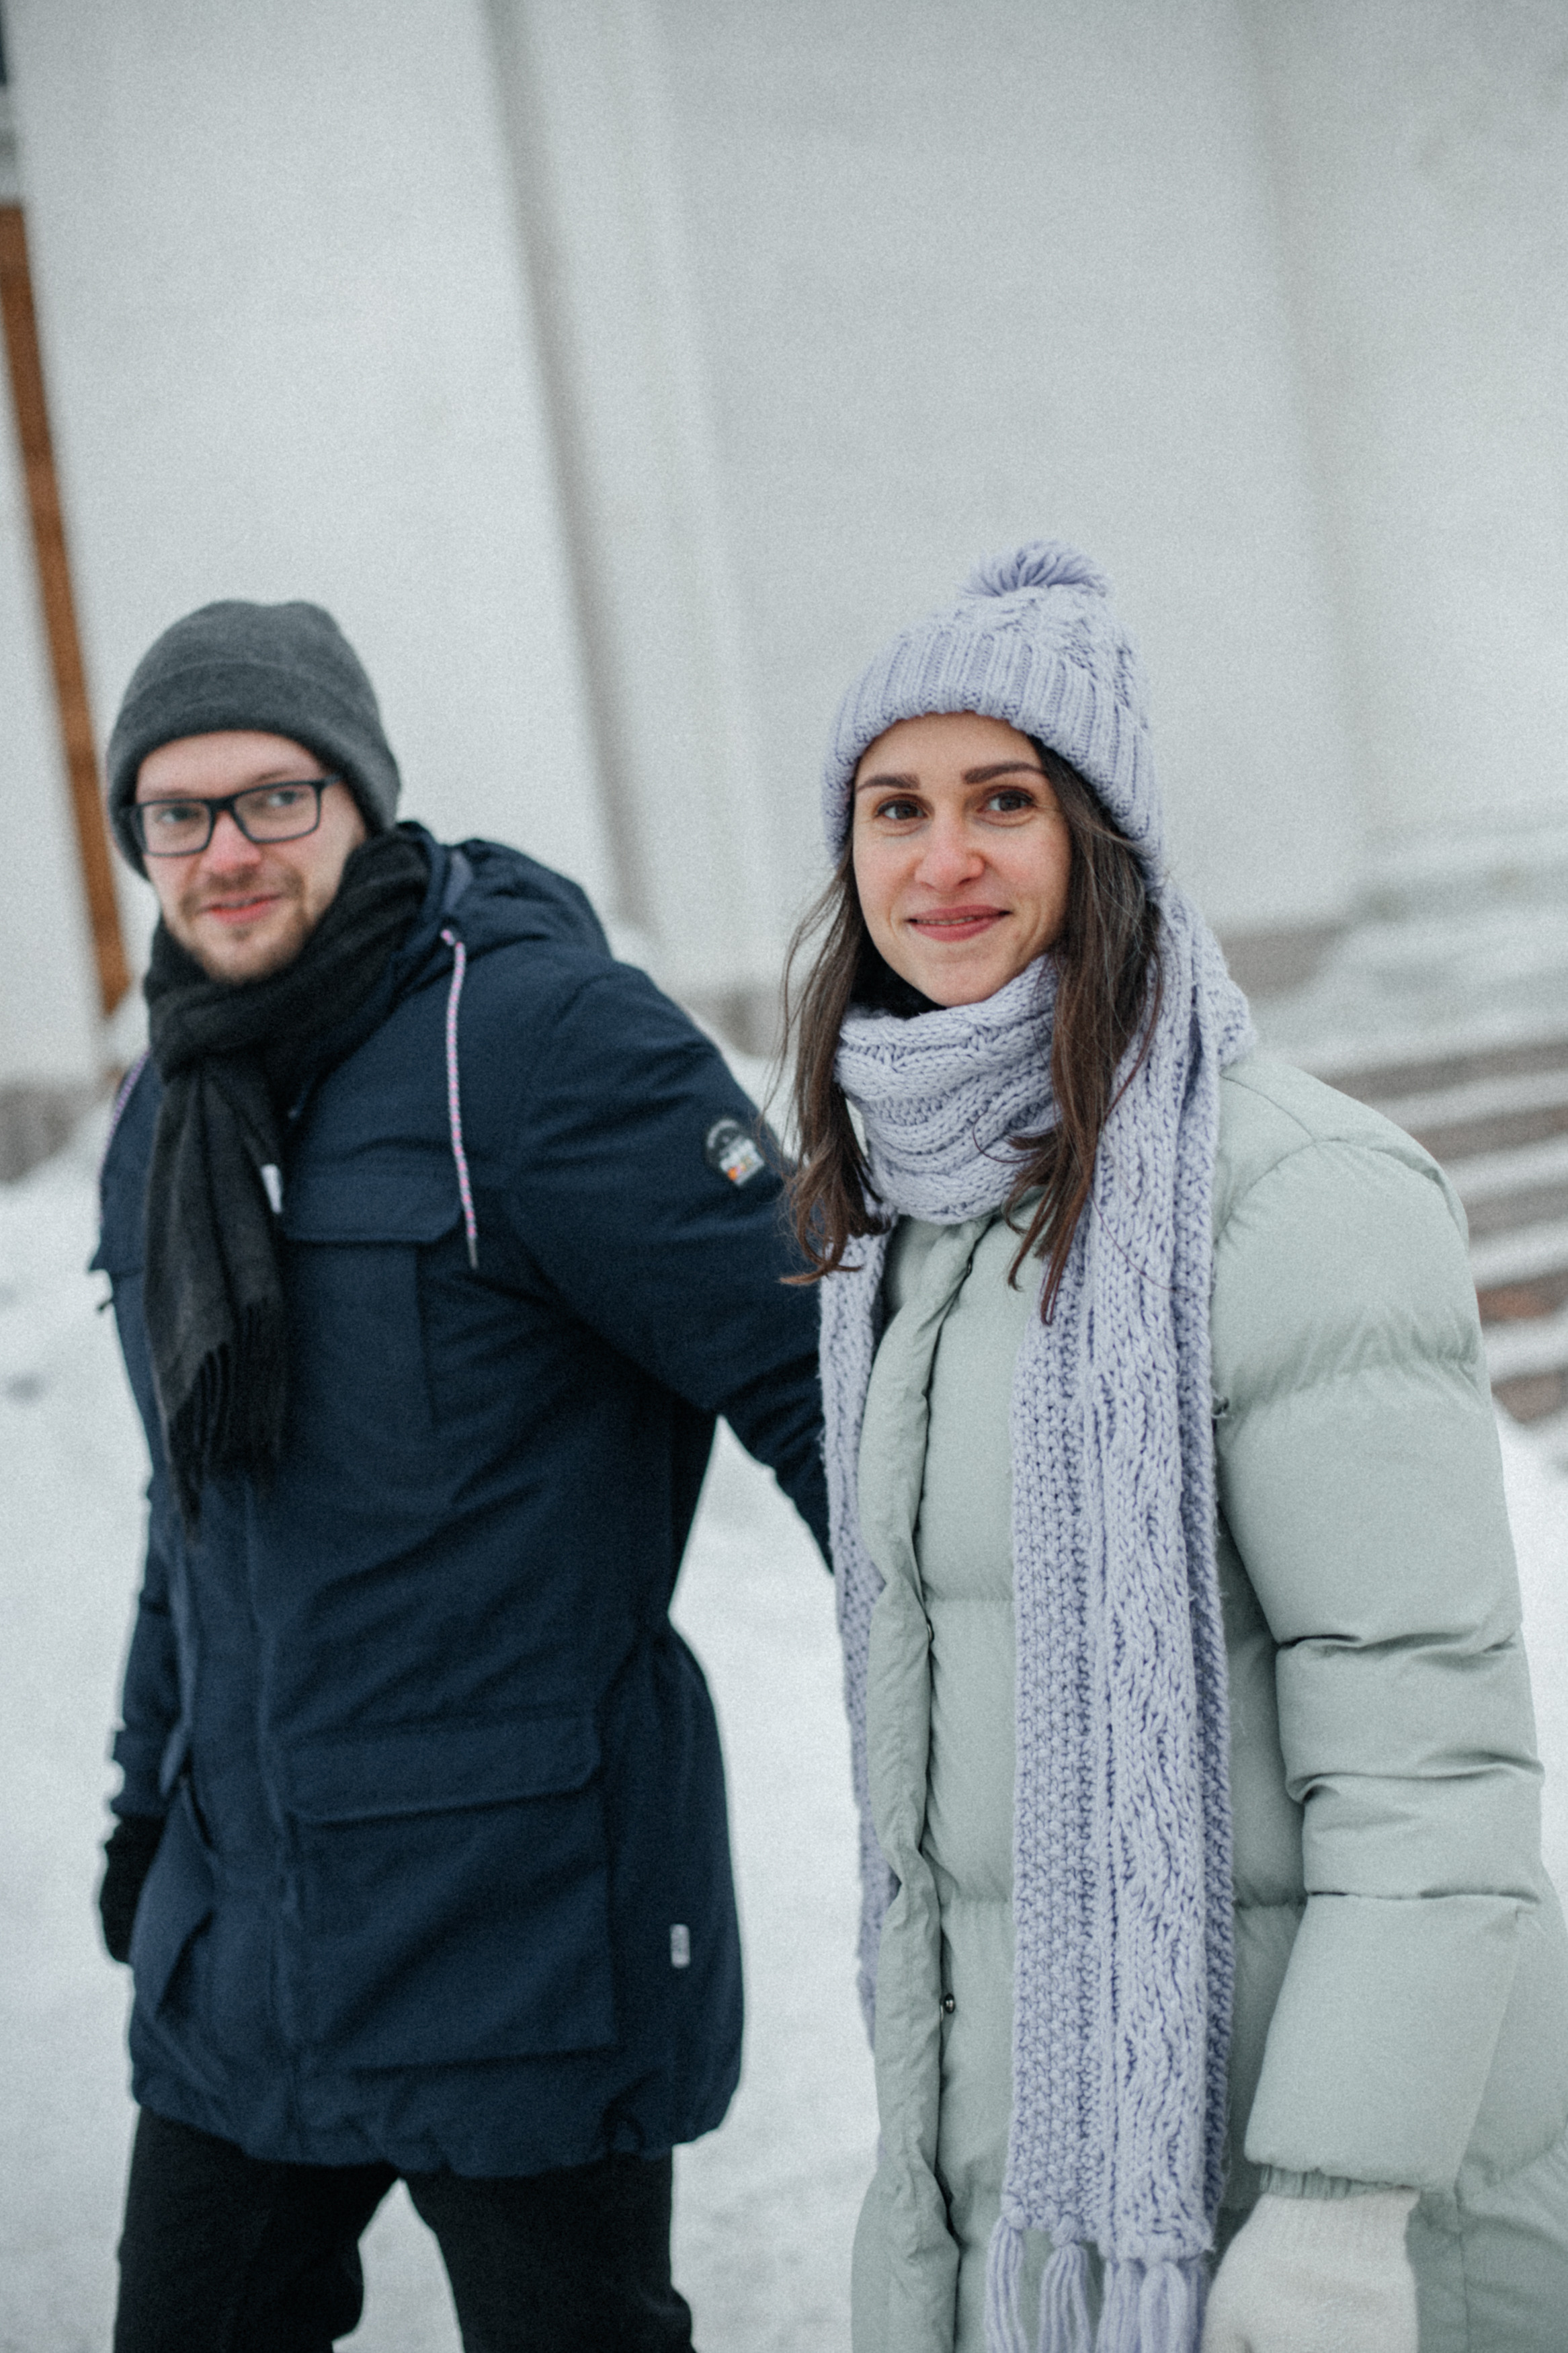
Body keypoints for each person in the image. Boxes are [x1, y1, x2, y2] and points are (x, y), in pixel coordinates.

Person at [784, 541, 1568, 2353]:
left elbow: (1429, 1760)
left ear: (1103, 844)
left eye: (1006, 799)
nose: (943, 856)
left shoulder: (1292, 1196)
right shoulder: (901, 1225)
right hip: (1048, 2205)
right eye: (895, 807)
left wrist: (1338, 2210)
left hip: (1335, 2221)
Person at [91, 598, 828, 2353]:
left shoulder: (538, 1042)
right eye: (176, 813)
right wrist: (144, 1802)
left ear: (360, 797)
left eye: (272, 797)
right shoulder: (171, 1110)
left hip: (518, 1931)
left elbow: (827, 1387)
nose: (225, 851)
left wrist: (982, 1757)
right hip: (246, 1949)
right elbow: (191, 1499)